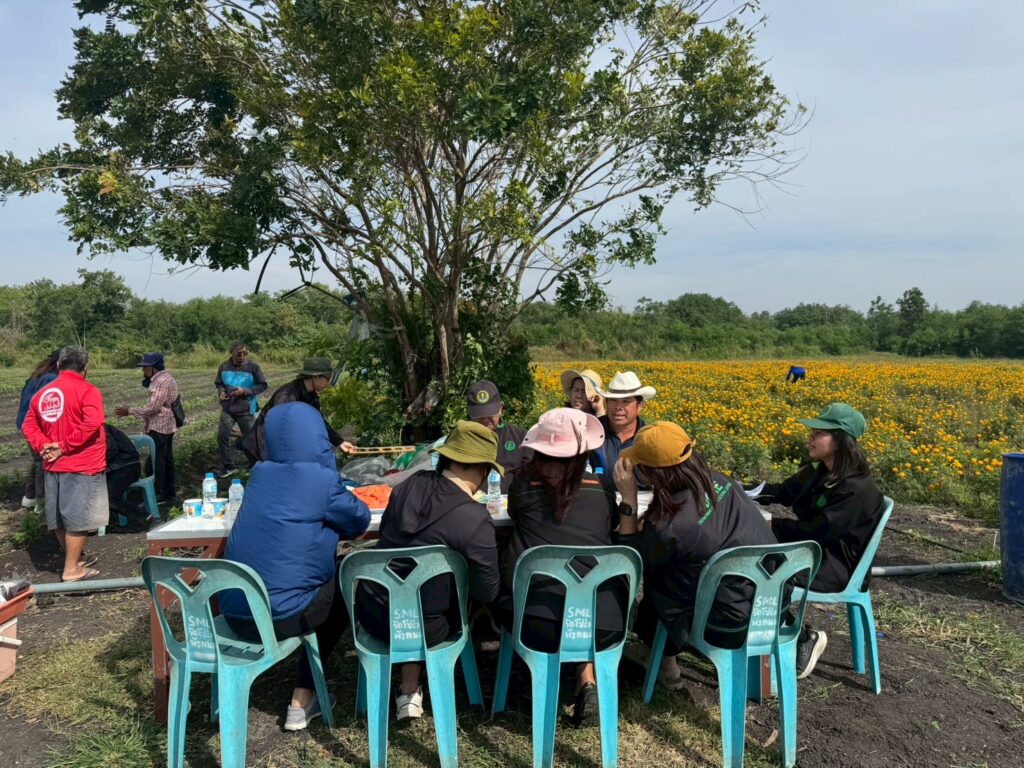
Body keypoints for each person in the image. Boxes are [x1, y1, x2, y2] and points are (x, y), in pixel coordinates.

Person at [221, 402, 371, 730]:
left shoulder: (259, 475)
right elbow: (358, 519)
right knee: (343, 579)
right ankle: (303, 697)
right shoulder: (320, 480)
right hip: (280, 619)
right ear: (318, 438)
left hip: (234, 616)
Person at [355, 420, 502, 721]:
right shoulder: (474, 518)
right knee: (442, 596)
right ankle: (415, 685)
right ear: (483, 469)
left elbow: (386, 539)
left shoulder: (407, 486)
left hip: (374, 616)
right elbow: (487, 591)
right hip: (428, 628)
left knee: (415, 589)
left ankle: (409, 686)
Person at [614, 421, 778, 690]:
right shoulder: (721, 481)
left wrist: (629, 500)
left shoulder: (669, 526)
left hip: (725, 624)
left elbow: (632, 560)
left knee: (661, 579)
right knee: (682, 567)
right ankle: (760, 675)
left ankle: (666, 662)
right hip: (771, 604)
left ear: (652, 474)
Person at [499, 407, 625, 725]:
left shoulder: (523, 487)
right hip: (604, 623)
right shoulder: (602, 488)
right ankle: (586, 679)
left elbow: (513, 514)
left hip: (537, 623)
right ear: (583, 451)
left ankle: (558, 682)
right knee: (583, 584)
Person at [751, 402, 883, 680]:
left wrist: (773, 524)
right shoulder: (819, 471)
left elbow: (817, 531)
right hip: (813, 550)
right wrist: (741, 491)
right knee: (752, 556)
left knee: (765, 569)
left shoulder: (855, 490)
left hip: (834, 565)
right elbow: (782, 491)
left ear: (840, 441)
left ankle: (800, 639)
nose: (810, 437)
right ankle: (760, 639)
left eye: (819, 433)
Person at [20, 346, 108, 582]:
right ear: (85, 368)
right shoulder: (87, 391)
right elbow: (93, 423)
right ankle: (71, 570)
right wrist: (63, 447)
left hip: (53, 466)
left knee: (59, 517)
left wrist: (44, 446)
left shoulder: (43, 394)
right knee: (79, 519)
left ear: (59, 366)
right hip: (82, 464)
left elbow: (28, 425)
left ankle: (75, 559)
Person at [241, 357, 353, 464]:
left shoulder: (311, 396)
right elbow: (277, 425)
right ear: (315, 377)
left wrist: (340, 442)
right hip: (261, 446)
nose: (328, 383)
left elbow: (318, 422)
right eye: (327, 378)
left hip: (276, 447)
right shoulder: (287, 395)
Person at [114, 353, 179, 503]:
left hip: (160, 425)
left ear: (153, 367)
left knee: (157, 461)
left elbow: (153, 408)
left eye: (145, 367)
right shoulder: (167, 378)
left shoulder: (160, 382)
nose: (143, 370)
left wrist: (129, 411)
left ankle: (158, 492)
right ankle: (169, 493)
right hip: (168, 424)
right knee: (166, 459)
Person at [594, 371, 655, 493]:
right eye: (613, 400)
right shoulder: (593, 430)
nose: (618, 407)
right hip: (598, 499)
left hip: (642, 501)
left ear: (640, 405)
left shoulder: (650, 438)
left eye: (625, 401)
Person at [215, 341, 267, 477]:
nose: (243, 356)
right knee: (222, 436)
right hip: (228, 408)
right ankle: (228, 466)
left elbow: (262, 385)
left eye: (245, 353)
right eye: (239, 354)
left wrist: (245, 391)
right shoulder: (223, 367)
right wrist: (221, 391)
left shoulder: (253, 367)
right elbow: (219, 383)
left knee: (250, 439)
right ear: (231, 352)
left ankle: (255, 466)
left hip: (246, 409)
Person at [466, 380, 529, 490]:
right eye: (479, 415)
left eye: (490, 413)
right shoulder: (459, 441)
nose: (485, 420)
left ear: (501, 408)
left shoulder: (521, 438)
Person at [15, 350, 59, 509]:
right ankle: (41, 503)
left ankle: (30, 496)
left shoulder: (38, 375)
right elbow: (47, 406)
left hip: (25, 422)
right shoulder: (51, 378)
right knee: (44, 462)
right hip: (36, 425)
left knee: (38, 460)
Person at [104, 424, 142, 524]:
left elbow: (111, 450)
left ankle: (144, 517)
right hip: (116, 467)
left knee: (110, 497)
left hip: (125, 466)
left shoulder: (99, 429)